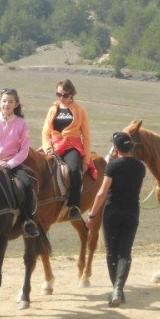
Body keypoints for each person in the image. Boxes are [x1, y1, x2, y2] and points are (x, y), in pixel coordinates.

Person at [84, 132, 146, 307]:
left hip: (113, 211)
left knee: (112, 253)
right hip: (132, 211)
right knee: (125, 252)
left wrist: (91, 215)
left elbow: (102, 192)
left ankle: (116, 289)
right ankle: (119, 288)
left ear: (116, 148)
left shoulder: (112, 166)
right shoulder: (140, 167)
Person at [0, 88, 39, 237]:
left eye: (11, 101)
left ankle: (28, 221)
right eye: (4, 101)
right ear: (0, 103)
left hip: (12, 164)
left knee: (26, 183)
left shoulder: (22, 123)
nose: (7, 104)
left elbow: (24, 149)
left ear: (16, 104)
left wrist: (10, 164)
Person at [41, 79, 92, 221]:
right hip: (54, 147)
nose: (61, 98)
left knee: (75, 170)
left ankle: (74, 205)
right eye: (58, 94)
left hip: (71, 147)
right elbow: (46, 133)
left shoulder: (80, 110)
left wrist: (86, 159)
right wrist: (48, 148)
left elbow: (86, 136)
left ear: (71, 94)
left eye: (65, 95)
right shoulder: (53, 110)